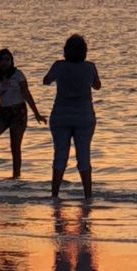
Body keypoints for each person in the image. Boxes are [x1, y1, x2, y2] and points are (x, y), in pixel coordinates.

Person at [43, 34, 101, 199]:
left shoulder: (59, 66)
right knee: (84, 157)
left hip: (60, 116)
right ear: (85, 51)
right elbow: (97, 86)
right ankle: (88, 196)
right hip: (84, 116)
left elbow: (46, 81)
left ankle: (54, 195)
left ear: (65, 51)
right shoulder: (90, 67)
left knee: (60, 156)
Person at [0, 48, 46, 179]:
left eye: (7, 60)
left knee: (15, 146)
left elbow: (27, 94)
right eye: (2, 60)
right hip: (3, 113)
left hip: (18, 113)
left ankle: (16, 176)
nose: (4, 63)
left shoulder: (18, 74)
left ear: (11, 61)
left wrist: (36, 114)